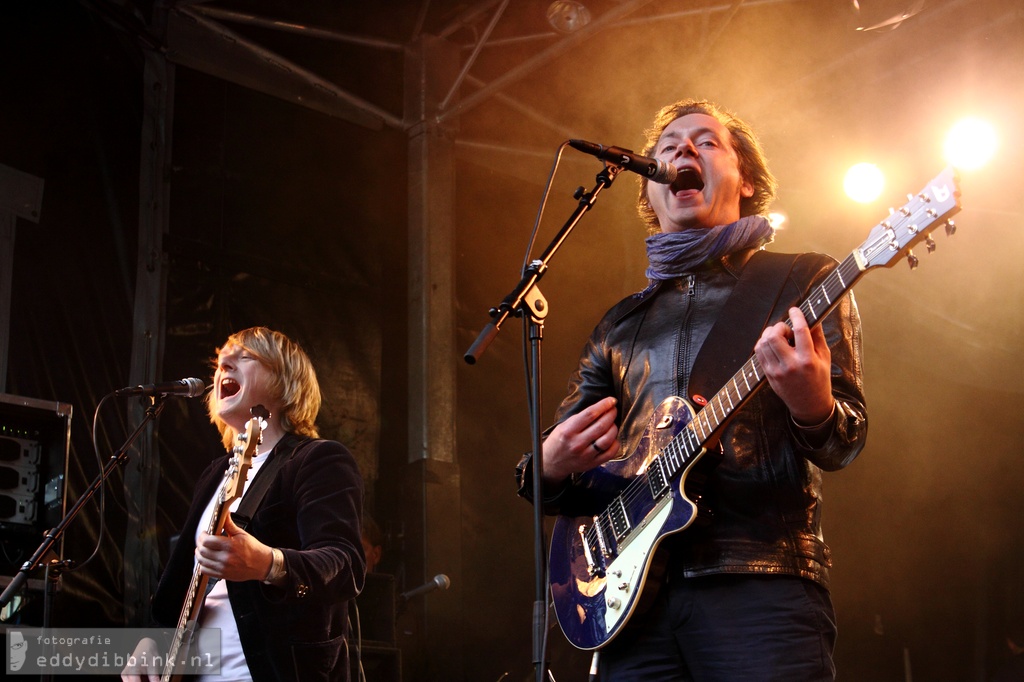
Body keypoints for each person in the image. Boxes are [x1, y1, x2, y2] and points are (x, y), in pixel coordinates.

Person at [516, 99, 868, 680]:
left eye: (705, 142)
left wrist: (814, 405)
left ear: (746, 178)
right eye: (668, 146)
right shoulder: (621, 324)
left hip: (759, 580)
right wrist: (547, 466)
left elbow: (844, 441)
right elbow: (575, 463)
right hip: (632, 602)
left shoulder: (801, 279)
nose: (682, 151)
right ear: (649, 189)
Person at [123, 326, 365, 682]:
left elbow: (345, 565)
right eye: (220, 361)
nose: (224, 364)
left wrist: (267, 563)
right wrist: (152, 639)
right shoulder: (215, 475)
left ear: (285, 381)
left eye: (245, 357)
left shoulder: (317, 459)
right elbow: (179, 586)